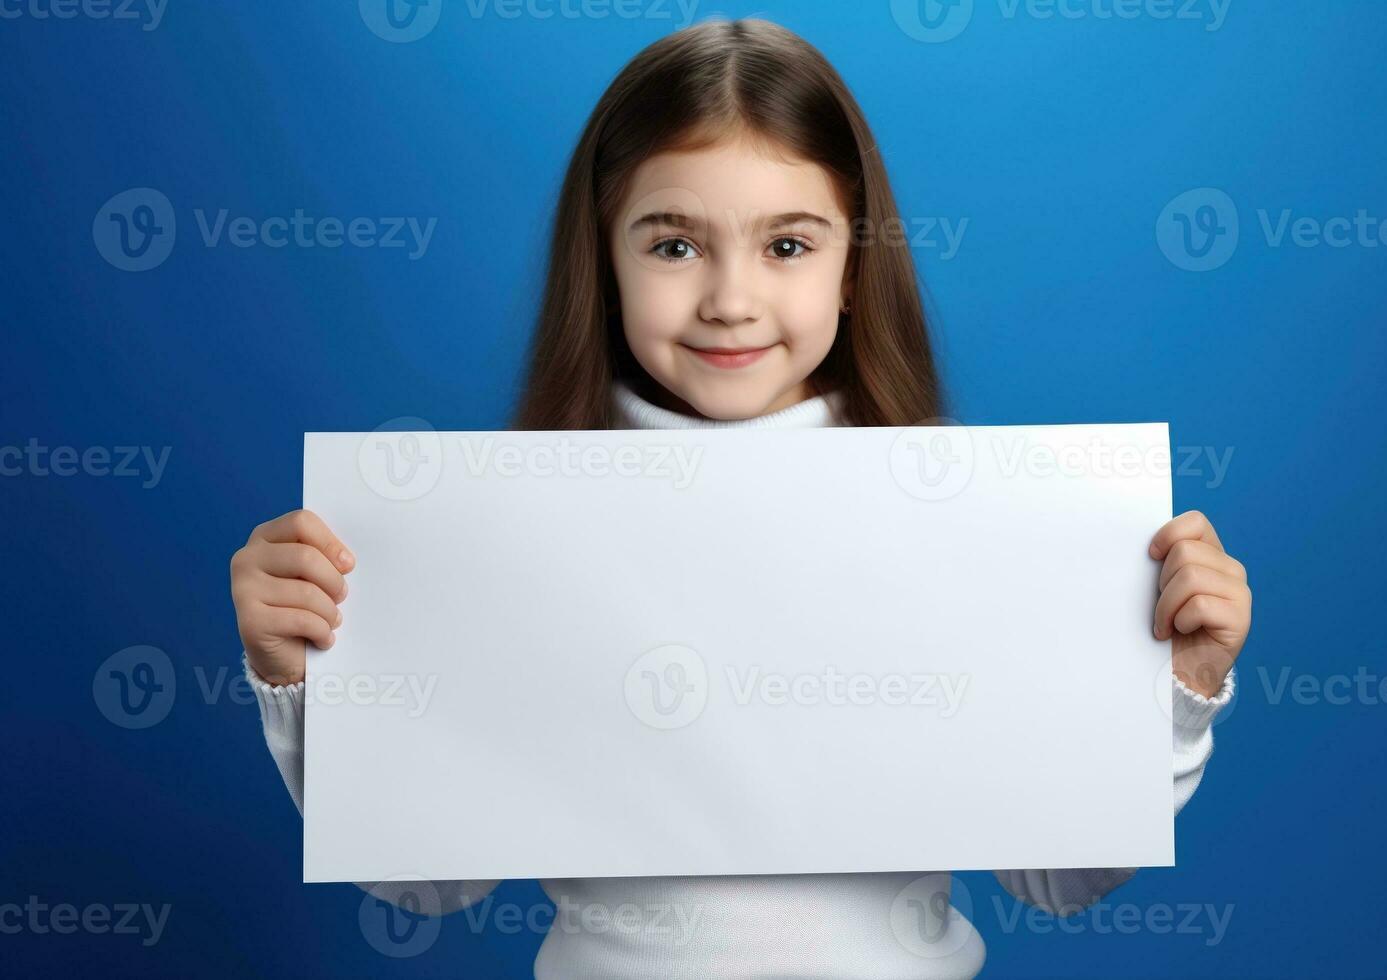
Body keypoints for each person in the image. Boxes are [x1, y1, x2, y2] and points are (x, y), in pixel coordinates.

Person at [228, 17, 1250, 978]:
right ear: (607, 258)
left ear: (854, 264)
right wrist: (300, 680)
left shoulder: (961, 507)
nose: (730, 298)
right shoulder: (508, 520)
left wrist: (1179, 695)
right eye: (673, 244)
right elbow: (428, 875)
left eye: (789, 245)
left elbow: (1057, 873)